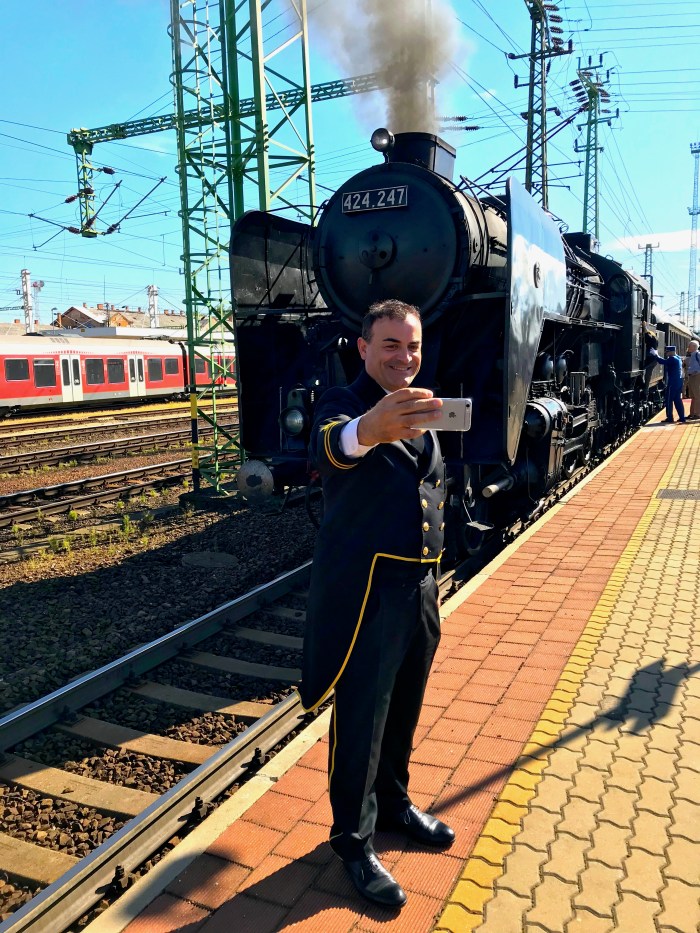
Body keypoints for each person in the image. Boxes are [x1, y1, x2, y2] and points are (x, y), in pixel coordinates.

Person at [300, 299, 455, 909]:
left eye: (412, 345)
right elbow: (326, 449)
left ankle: (393, 803)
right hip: (370, 590)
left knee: (404, 707)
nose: (404, 356)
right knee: (363, 717)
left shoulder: (420, 403)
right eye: (391, 344)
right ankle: (353, 840)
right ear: (364, 348)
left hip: (420, 586)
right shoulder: (345, 403)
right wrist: (368, 430)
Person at [650, 344, 686, 423]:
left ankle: (670, 417)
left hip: (673, 382)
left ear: (671, 352)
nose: (666, 353)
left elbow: (662, 361)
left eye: (667, 352)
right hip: (679, 381)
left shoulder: (672, 359)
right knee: (678, 400)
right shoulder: (678, 358)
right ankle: (682, 417)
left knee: (669, 400)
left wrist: (656, 355)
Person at [684, 339, 700, 420]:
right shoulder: (693, 355)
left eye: (689, 346)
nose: (688, 347)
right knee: (693, 396)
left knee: (697, 396)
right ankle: (692, 413)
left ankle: (697, 414)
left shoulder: (698, 354)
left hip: (696, 376)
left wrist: (697, 372)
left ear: (694, 347)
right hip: (692, 376)